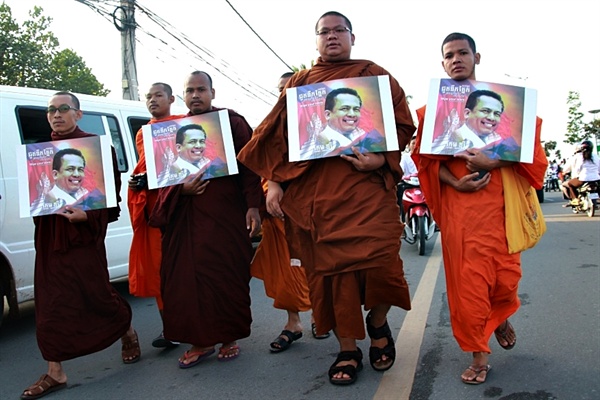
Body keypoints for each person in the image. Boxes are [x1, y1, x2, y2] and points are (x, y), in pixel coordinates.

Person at [238, 11, 414, 385]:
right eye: (324, 32)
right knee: (330, 279)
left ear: (352, 36)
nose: (332, 37)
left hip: (367, 193)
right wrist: (274, 183)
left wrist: (381, 158)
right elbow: (276, 140)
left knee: (386, 265)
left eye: (339, 31)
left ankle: (378, 321)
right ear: (315, 40)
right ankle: (347, 349)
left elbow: (401, 125)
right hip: (315, 199)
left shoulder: (375, 76)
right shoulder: (301, 85)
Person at [413, 32, 547, 385]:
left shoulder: (507, 105)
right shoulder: (435, 111)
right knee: (470, 285)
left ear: (477, 57)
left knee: (505, 281)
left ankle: (500, 314)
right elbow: (426, 162)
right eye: (449, 55)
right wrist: (455, 182)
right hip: (462, 210)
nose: (456, 59)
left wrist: (495, 162)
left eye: (462, 53)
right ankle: (479, 354)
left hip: (503, 210)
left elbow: (533, 157)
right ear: (442, 63)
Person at [21, 91, 139, 400]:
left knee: (97, 295)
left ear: (78, 114)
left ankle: (126, 331)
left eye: (63, 109)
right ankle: (55, 370)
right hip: (50, 239)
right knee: (50, 304)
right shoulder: (41, 153)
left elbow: (108, 200)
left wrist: (87, 216)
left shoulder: (98, 149)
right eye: (51, 110)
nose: (56, 115)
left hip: (84, 237)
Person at [148, 71, 263, 368]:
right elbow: (161, 180)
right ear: (183, 96)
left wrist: (253, 207)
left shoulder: (231, 123)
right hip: (184, 219)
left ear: (213, 93)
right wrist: (180, 189)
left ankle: (228, 338)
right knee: (185, 281)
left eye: (201, 89)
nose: (196, 95)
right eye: (190, 90)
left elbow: (251, 166)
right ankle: (200, 341)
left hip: (225, 215)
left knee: (226, 276)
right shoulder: (170, 132)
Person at [251, 72, 329, 354]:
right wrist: (272, 186)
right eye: (281, 91)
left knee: (317, 266)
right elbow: (261, 163)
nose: (285, 95)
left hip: (314, 209)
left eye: (291, 90)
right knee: (285, 270)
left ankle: (321, 315)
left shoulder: (322, 124)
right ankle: (293, 322)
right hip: (279, 213)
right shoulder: (271, 127)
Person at [128, 82, 183, 348]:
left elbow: (186, 163)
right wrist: (138, 182)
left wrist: (152, 179)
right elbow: (146, 167)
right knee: (159, 269)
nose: (152, 100)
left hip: (182, 206)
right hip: (155, 209)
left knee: (184, 269)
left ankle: (193, 324)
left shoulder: (185, 125)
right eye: (148, 97)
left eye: (158, 95)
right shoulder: (143, 133)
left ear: (171, 98)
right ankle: (170, 328)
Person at [431, 90, 520, 161]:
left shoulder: (498, 142)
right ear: (467, 113)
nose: (491, 118)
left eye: (497, 114)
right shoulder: (449, 141)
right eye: (485, 111)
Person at [299, 88, 385, 160]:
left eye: (356, 109)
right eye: (344, 109)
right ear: (328, 115)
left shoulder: (365, 136)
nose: (352, 114)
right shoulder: (315, 145)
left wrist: (378, 161)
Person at [30, 148, 107, 216]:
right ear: (55, 174)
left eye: (80, 169)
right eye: (70, 169)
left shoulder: (89, 195)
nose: (77, 174)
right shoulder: (45, 204)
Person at [562, 140, 600, 204]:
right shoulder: (596, 156)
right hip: (596, 178)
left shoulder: (579, 156)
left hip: (583, 179)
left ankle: (575, 199)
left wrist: (576, 176)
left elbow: (577, 169)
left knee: (570, 184)